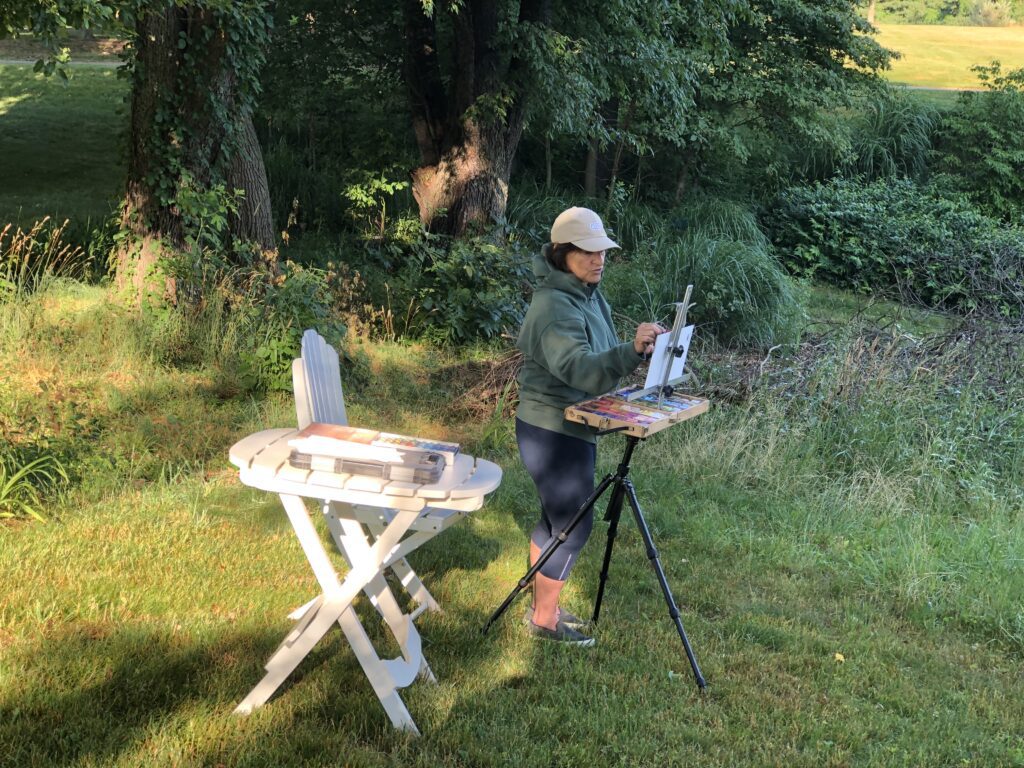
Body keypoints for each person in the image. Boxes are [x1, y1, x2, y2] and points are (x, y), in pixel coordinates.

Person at [515, 206, 665, 646]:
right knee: (573, 524)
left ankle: (544, 602)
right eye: (588, 252)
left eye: (603, 251)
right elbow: (579, 368)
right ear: (562, 254)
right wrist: (631, 352)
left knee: (555, 518)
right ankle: (543, 620)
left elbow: (596, 354)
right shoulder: (554, 304)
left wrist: (633, 349)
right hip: (552, 427)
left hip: (575, 423)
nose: (599, 259)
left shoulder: (586, 293)